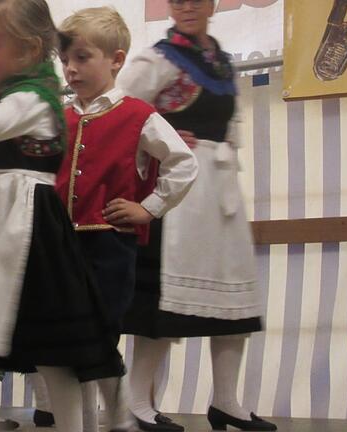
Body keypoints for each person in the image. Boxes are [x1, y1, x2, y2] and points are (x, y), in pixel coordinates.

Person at [0, 1, 124, 430]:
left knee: (54, 348)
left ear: (30, 49)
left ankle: (72, 424)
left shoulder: (36, 97)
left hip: (29, 228)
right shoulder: (5, 94)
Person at [117, 0, 276, 430]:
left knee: (233, 298)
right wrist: (161, 137)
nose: (187, 6)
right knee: (166, 302)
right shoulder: (158, 58)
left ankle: (226, 400)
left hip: (220, 192)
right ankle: (135, 401)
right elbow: (120, 113)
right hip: (179, 192)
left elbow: (231, 125)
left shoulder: (222, 61)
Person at [56, 7, 198, 431]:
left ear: (115, 60)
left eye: (83, 58)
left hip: (108, 246)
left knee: (100, 334)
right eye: (66, 60)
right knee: (68, 336)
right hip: (63, 246)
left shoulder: (138, 115)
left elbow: (183, 164)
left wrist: (148, 208)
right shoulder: (62, 118)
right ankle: (79, 421)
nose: (71, 68)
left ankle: (117, 418)